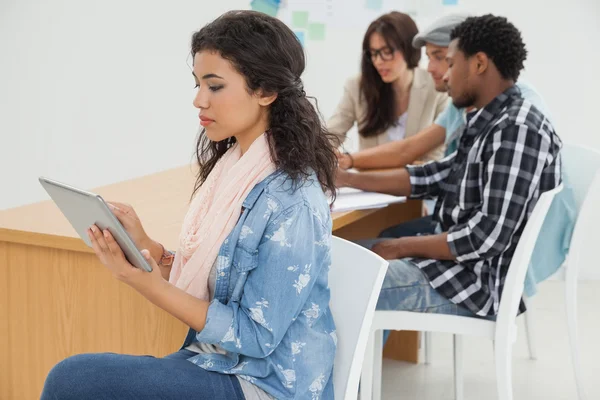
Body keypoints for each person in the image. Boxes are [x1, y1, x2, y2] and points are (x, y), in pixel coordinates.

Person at [41, 10, 339, 400]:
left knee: (73, 379)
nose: (199, 99)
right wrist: (150, 248)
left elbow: (255, 337)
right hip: (213, 360)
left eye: (215, 86)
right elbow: (221, 276)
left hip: (264, 383)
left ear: (266, 91)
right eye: (198, 84)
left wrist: (145, 284)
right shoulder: (235, 170)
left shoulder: (291, 201)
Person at [336, 14, 562, 319]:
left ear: (479, 64)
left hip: (472, 283)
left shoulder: (516, 129)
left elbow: (485, 236)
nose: (443, 75)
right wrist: (347, 178)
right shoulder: (489, 120)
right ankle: (356, 365)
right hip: (458, 268)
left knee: (336, 278)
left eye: (451, 64)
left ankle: (348, 367)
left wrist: (402, 247)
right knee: (336, 258)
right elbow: (433, 176)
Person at [336, 13, 552, 172]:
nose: (429, 68)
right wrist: (348, 162)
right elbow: (410, 150)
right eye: (429, 57)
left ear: (476, 60)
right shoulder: (459, 106)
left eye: (442, 58)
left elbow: (493, 222)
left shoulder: (521, 112)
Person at [327, 11, 448, 161]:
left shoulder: (436, 85)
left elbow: (435, 157)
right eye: (373, 53)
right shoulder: (357, 87)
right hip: (366, 182)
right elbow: (331, 134)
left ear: (408, 48)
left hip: (418, 183)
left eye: (387, 52)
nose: (378, 61)